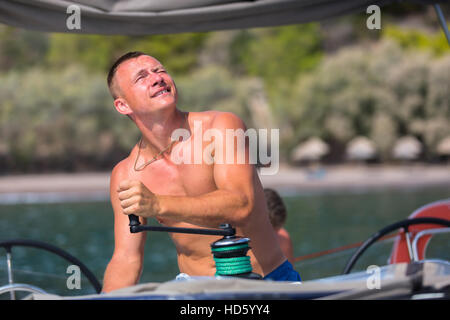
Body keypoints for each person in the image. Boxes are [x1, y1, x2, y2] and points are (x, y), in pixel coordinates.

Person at [101, 52, 300, 292]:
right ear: (123, 105)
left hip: (268, 283)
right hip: (194, 291)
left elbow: (241, 205)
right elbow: (126, 260)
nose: (157, 78)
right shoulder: (126, 174)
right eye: (142, 77)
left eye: (160, 70)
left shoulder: (222, 127)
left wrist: (158, 204)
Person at [263, 188, 295, 263]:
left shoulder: (283, 238)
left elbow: (289, 271)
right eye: (268, 230)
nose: (273, 235)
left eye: (276, 230)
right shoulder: (242, 239)